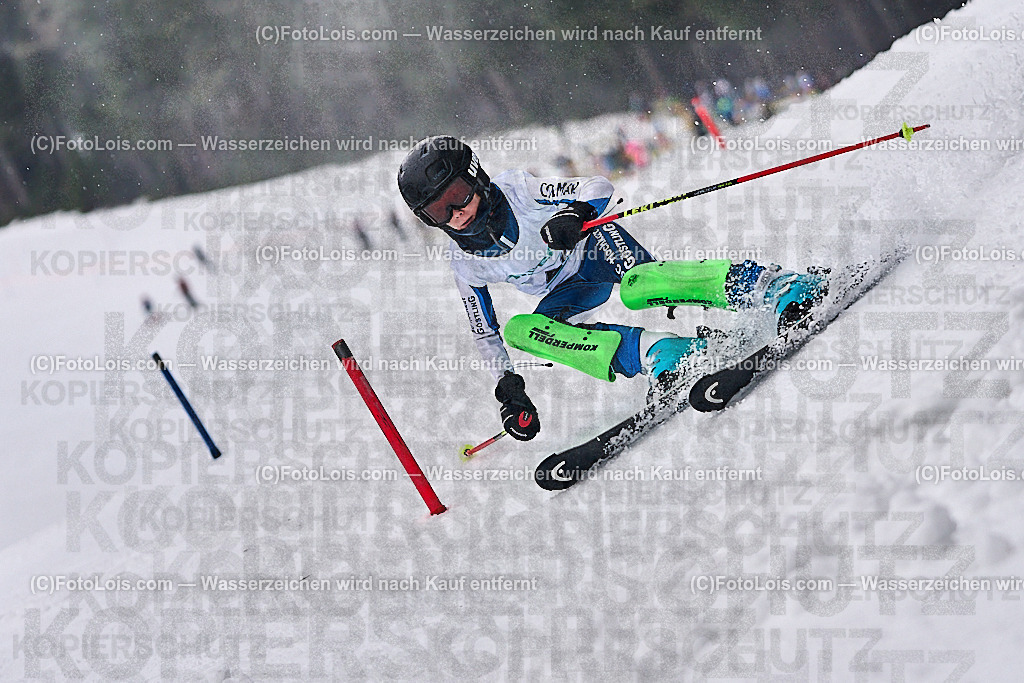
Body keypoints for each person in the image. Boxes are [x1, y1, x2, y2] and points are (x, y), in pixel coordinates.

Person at [397, 136, 825, 442]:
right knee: (521, 330)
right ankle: (663, 353)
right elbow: (485, 333)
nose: (455, 214)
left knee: (640, 285)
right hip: (569, 291)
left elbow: (597, 188)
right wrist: (507, 387)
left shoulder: (516, 190)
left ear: (476, 178)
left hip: (595, 248)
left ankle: (777, 286)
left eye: (456, 195)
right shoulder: (465, 263)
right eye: (437, 210)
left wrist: (574, 214)